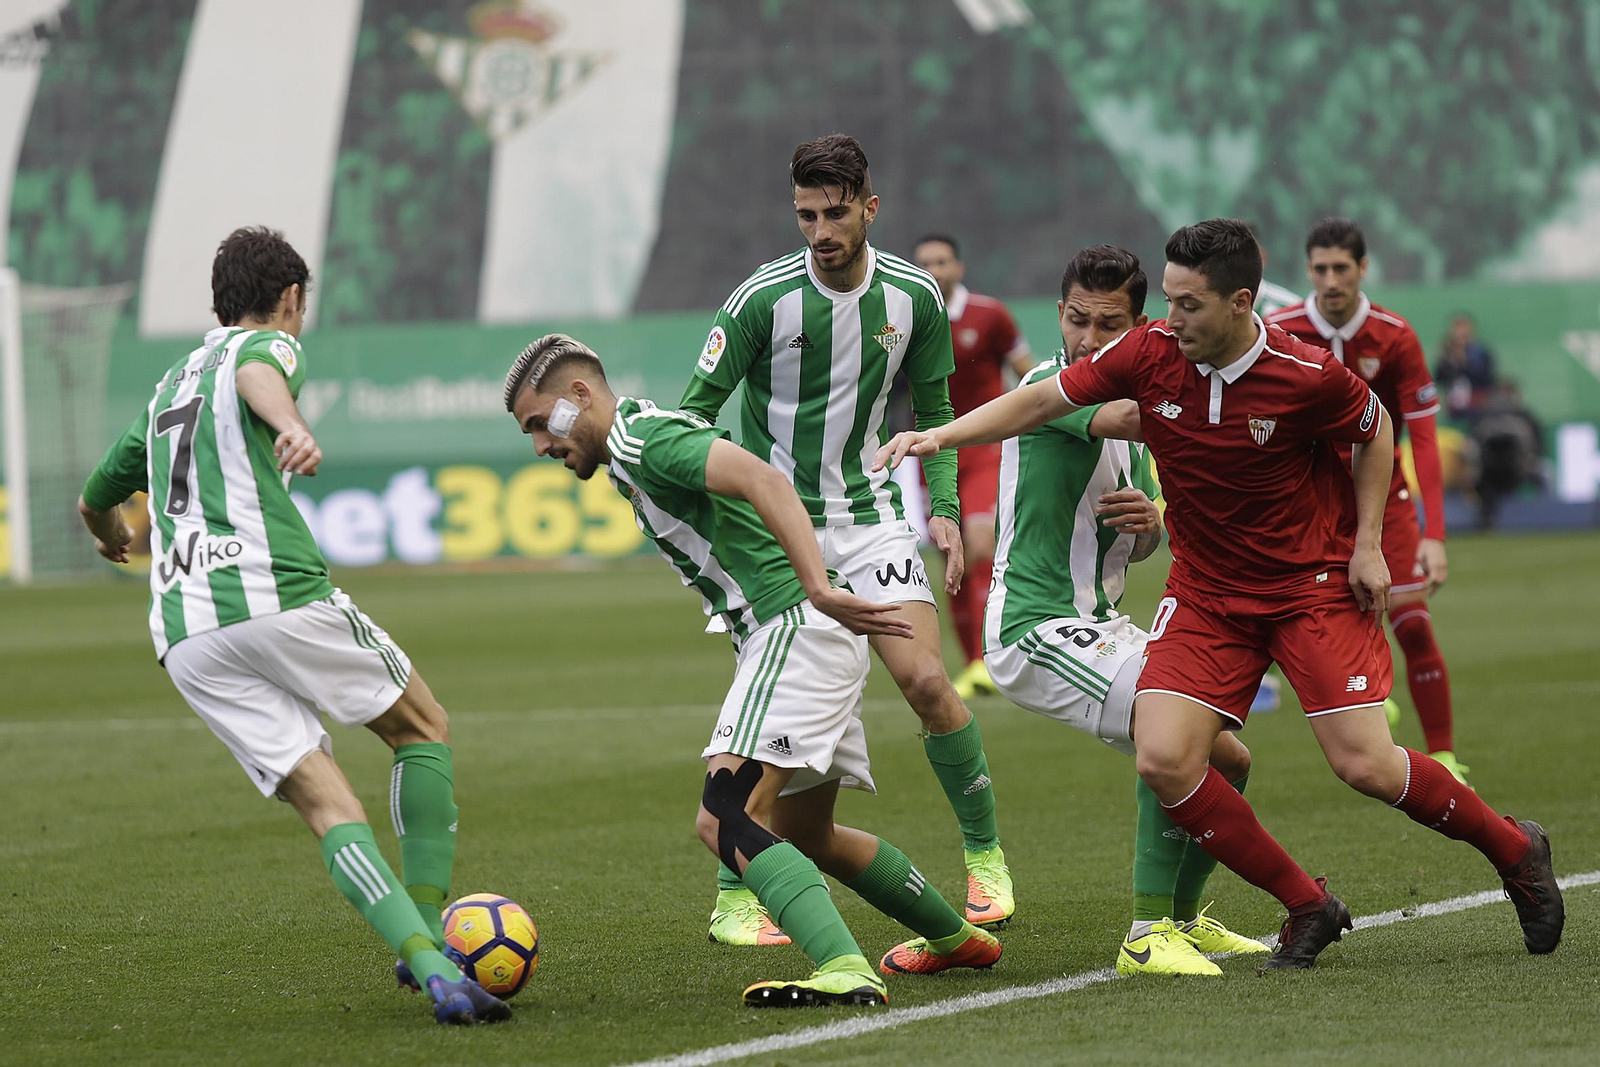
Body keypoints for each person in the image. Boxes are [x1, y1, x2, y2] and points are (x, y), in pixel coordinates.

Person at [875, 218, 1563, 971]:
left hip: (1306, 590)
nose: (1171, 320)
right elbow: (1039, 401)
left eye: (1188, 305)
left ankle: (1514, 849)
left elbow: (1375, 430)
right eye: (1167, 301)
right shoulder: (1149, 353)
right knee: (1167, 756)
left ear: (1240, 302)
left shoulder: (1304, 373)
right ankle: (1299, 904)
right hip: (1206, 597)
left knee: (1365, 764)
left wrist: (1368, 543)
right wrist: (938, 438)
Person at [75, 227, 508, 1025]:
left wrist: (113, 537)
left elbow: (94, 498)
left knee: (326, 805)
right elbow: (258, 371)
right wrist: (290, 426)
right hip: (272, 592)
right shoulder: (266, 345)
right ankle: (431, 924)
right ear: (291, 298)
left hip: (186, 633)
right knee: (422, 726)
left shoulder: (167, 389)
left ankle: (425, 962)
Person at [504, 334, 1002, 1007]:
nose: (541, 444)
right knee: (807, 835)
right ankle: (955, 938)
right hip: (796, 635)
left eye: (541, 423)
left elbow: (763, 479)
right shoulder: (631, 446)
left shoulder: (641, 438)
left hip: (794, 629)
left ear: (579, 396)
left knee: (724, 817)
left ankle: (846, 968)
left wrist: (817, 589)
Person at [679, 134, 1015, 944]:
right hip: (778, 534)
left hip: (870, 518)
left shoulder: (914, 295)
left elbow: (934, 410)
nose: (820, 231)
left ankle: (985, 856)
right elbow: (693, 416)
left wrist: (942, 507)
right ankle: (734, 892)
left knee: (927, 679)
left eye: (835, 213)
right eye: (806, 215)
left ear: (870, 207)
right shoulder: (760, 300)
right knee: (770, 717)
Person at [986, 244, 1268, 975]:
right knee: (1162, 719)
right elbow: (1130, 414)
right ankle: (1147, 933)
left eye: (1108, 326)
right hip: (1033, 625)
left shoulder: (1131, 413)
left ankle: (1184, 920)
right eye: (1076, 320)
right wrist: (1249, 388)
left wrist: (1152, 523)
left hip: (1098, 622)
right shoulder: (1051, 387)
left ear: (1138, 327)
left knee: (1228, 758)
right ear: (1058, 315)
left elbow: (1138, 545)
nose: (1087, 338)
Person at [1267, 218, 1467, 781]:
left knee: (1414, 622)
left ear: (1362, 269)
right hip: (1313, 505)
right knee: (1322, 624)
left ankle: (1445, 757)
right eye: (1320, 268)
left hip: (1389, 498)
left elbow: (1422, 437)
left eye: (1341, 268)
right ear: (1308, 270)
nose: (1331, 280)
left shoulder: (1394, 336)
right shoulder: (1280, 331)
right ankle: (1371, 702)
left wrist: (1434, 535)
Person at [911, 233, 1034, 700]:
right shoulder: (905, 318)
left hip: (985, 448)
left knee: (981, 545)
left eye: (942, 261)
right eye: (925, 263)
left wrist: (1036, 423)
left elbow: (1027, 375)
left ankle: (992, 658)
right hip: (934, 451)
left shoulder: (989, 314)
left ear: (958, 268)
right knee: (951, 555)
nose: (934, 270)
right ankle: (973, 665)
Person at [1434, 313, 1499, 420]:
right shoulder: (1448, 353)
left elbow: (1486, 379)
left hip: (1477, 407)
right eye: (1457, 328)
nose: (1460, 332)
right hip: (1454, 408)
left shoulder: (1481, 353)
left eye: (1463, 328)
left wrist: (1463, 362)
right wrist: (1447, 361)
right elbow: (1440, 379)